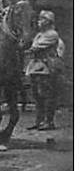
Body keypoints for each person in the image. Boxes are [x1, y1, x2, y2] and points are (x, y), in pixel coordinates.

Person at [25, 10, 63, 138]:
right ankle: (39, 121)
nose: (39, 22)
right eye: (39, 19)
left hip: (46, 67)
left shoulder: (52, 34)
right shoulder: (39, 34)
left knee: (46, 95)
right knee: (37, 95)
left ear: (49, 22)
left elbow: (36, 47)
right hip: (36, 66)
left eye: (42, 19)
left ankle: (48, 121)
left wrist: (26, 49)